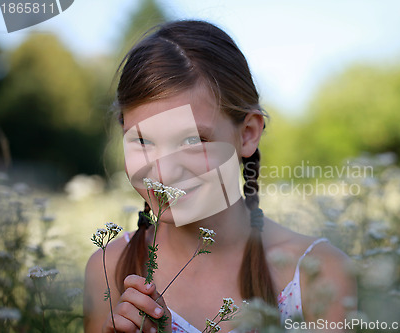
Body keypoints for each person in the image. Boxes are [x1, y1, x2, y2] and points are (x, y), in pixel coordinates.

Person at [84, 20, 355, 333]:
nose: (163, 171)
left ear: (248, 134)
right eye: (143, 141)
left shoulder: (317, 273)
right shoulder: (109, 270)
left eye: (193, 140)